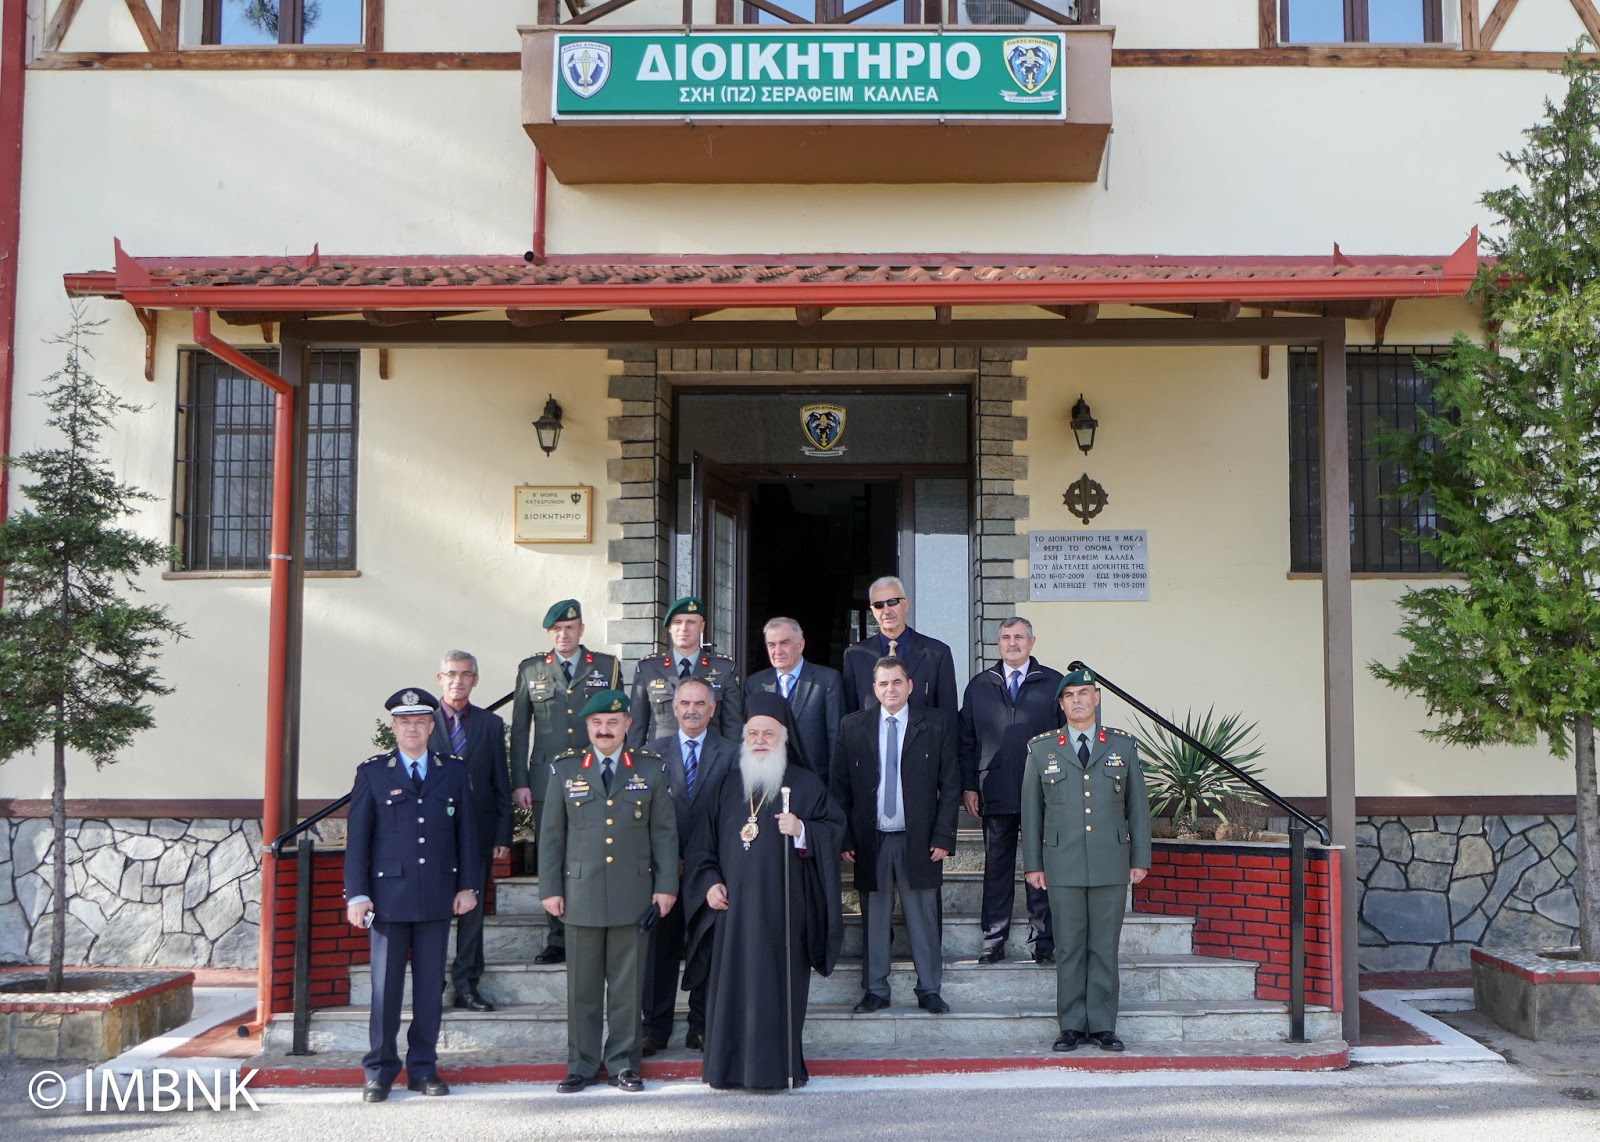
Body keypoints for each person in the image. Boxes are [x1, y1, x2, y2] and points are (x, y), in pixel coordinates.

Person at [682, 692, 846, 1090]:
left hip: (783, 914)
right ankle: (726, 1069)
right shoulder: (724, 787)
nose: (759, 740)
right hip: (733, 916)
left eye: (768, 734)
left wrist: (804, 830)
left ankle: (776, 1069)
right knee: (732, 993)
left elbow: (836, 829)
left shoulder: (805, 785)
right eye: (752, 733)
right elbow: (701, 848)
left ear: (784, 738)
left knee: (776, 993)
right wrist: (709, 884)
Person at [344, 688, 480, 1103]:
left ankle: (423, 1069)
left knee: (428, 990)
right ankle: (380, 1071)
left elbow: (467, 835)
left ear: (430, 726)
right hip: (387, 899)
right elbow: (358, 841)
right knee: (385, 990)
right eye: (405, 723)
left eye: (420, 722)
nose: (413, 729)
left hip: (438, 895)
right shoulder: (374, 773)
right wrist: (357, 895)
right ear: (394, 728)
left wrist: (468, 886)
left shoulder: (453, 771)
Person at [539, 689, 677, 1094]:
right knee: (582, 989)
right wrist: (550, 888)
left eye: (612, 722)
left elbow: (665, 834)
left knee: (626, 988)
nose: (604, 729)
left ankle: (622, 1064)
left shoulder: (650, 768)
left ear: (627, 726)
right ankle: (581, 1065)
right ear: (587, 726)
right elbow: (551, 836)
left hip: (633, 893)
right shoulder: (565, 769)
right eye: (597, 723)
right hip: (579, 893)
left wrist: (666, 886)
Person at [1021, 666, 1152, 1053]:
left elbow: (1138, 809)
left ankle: (1103, 1025)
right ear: (1060, 704)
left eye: (1084, 693)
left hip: (1111, 861)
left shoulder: (1122, 746)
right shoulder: (1042, 748)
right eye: (1069, 695)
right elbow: (1032, 812)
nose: (1077, 700)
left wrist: (1140, 858)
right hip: (1062, 863)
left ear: (1096, 698)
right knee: (1069, 947)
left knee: (1104, 946)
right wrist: (1033, 864)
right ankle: (1072, 1025)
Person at [831, 656, 960, 1015]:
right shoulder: (852, 726)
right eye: (883, 683)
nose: (891, 689)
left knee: (923, 916)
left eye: (897, 682)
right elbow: (840, 788)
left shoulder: (934, 724)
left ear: (910, 686)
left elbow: (950, 785)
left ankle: (930, 988)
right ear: (874, 689)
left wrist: (944, 836)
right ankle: (875, 989)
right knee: (874, 917)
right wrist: (845, 839)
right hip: (871, 839)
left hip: (918, 838)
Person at [510, 598, 622, 965]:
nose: (563, 635)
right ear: (549, 633)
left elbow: (621, 722)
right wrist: (520, 781)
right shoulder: (531, 670)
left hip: (597, 775)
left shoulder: (606, 666)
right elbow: (521, 730)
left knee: (597, 850)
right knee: (552, 854)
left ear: (581, 630)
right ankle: (557, 936)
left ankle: (599, 924)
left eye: (569, 628)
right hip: (547, 778)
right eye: (556, 630)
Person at [958, 618, 1065, 965]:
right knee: (997, 868)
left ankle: (1043, 941)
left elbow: (1065, 738)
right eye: (1006, 637)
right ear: (998, 642)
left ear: (1032, 641)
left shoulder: (1054, 683)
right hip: (996, 788)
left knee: (1041, 866)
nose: (1012, 642)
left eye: (1019, 636)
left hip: (1043, 791)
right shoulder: (979, 686)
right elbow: (966, 741)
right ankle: (993, 938)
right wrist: (969, 786)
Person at [642, 678, 737, 1054]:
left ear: (713, 709)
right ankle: (654, 1027)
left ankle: (701, 1025)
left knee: (706, 950)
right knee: (658, 953)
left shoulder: (732, 753)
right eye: (685, 703)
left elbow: (733, 814)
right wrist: (665, 863)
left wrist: (707, 866)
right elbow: (644, 817)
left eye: (701, 703)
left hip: (711, 872)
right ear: (673, 708)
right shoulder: (651, 753)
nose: (693, 709)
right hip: (665, 873)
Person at [427, 650, 512, 1011]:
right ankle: (432, 985)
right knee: (433, 912)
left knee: (472, 913)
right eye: (451, 674)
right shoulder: (422, 723)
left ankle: (467, 985)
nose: (458, 680)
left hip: (477, 833)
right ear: (439, 678)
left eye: (465, 674)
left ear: (475, 680)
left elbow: (500, 783)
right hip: (432, 836)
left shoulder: (490, 725)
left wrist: (503, 835)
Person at [628, 595, 743, 748]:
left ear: (701, 627)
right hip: (660, 761)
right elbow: (637, 727)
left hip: (709, 762)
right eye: (677, 622)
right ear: (670, 627)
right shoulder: (648, 668)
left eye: (691, 622)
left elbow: (733, 727)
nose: (684, 628)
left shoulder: (724, 669)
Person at [744, 616, 845, 787]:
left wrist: (833, 789)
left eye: (784, 643)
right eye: (771, 645)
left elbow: (836, 739)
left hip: (814, 782)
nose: (778, 651)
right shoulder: (755, 684)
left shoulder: (827, 681)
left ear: (800, 644)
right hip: (767, 783)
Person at [841, 576, 958, 715]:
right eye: (879, 605)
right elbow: (850, 717)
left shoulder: (938, 653)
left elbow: (948, 716)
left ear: (905, 605)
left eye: (892, 602)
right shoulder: (855, 656)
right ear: (872, 610)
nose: (886, 611)